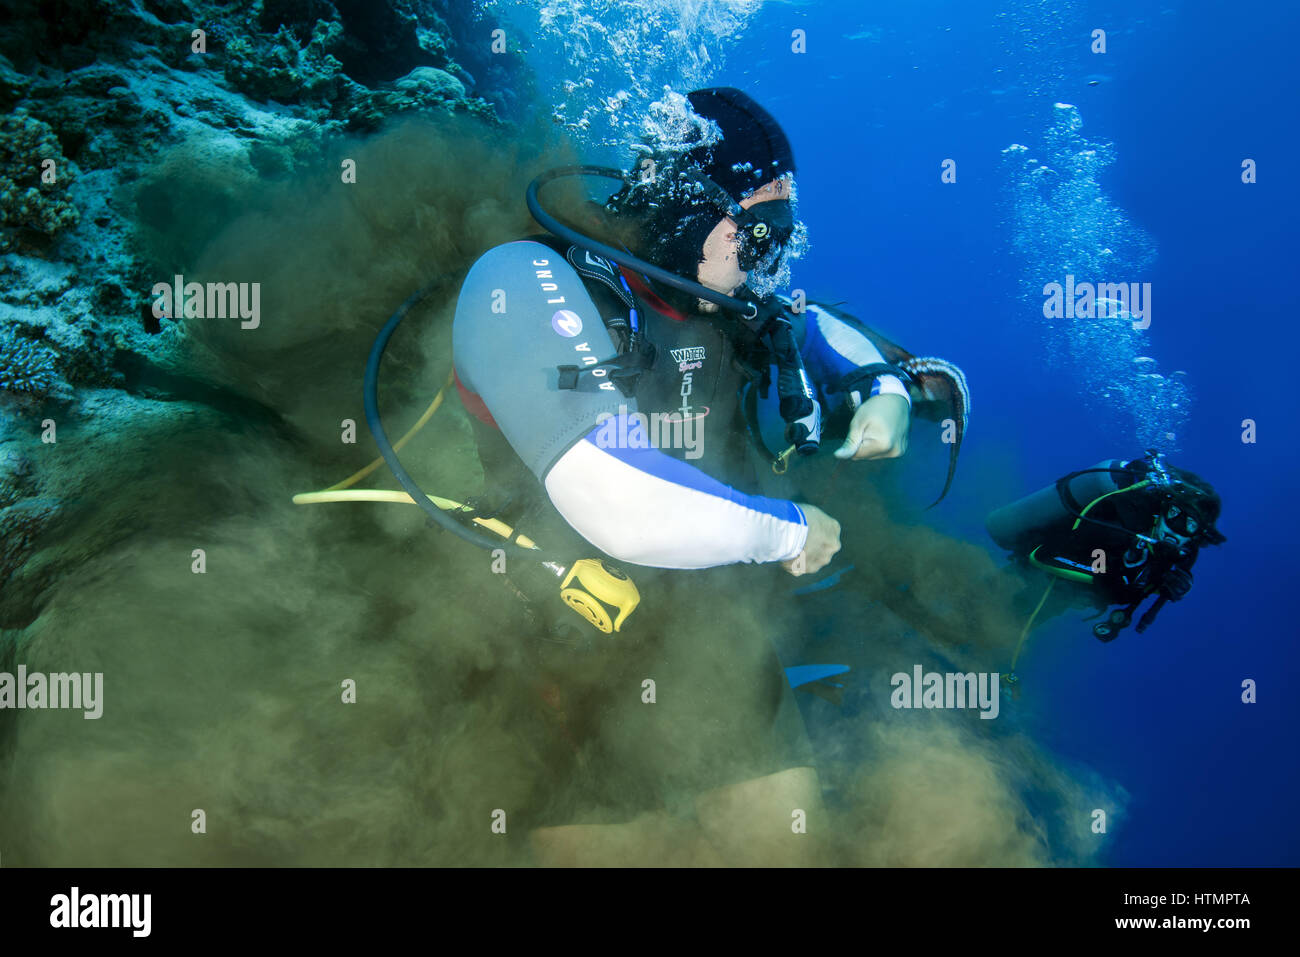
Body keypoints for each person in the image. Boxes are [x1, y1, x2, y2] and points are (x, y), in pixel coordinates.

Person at [450, 88, 966, 865]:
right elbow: (613, 499)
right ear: (694, 207)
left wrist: (886, 393)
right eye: (761, 233)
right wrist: (785, 529)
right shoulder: (524, 278)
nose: (773, 259)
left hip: (704, 631)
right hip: (549, 637)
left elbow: (823, 328)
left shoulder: (730, 304)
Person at [987, 450, 1226, 647]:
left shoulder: (1176, 556)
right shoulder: (1119, 525)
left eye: (1190, 525)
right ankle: (962, 617)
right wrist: (1107, 573)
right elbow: (1044, 556)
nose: (1175, 529)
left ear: (1197, 537)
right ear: (1163, 509)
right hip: (1042, 576)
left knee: (1013, 620)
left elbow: (1123, 592)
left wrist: (1159, 585)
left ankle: (970, 637)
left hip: (1065, 596)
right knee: (996, 599)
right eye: (1174, 515)